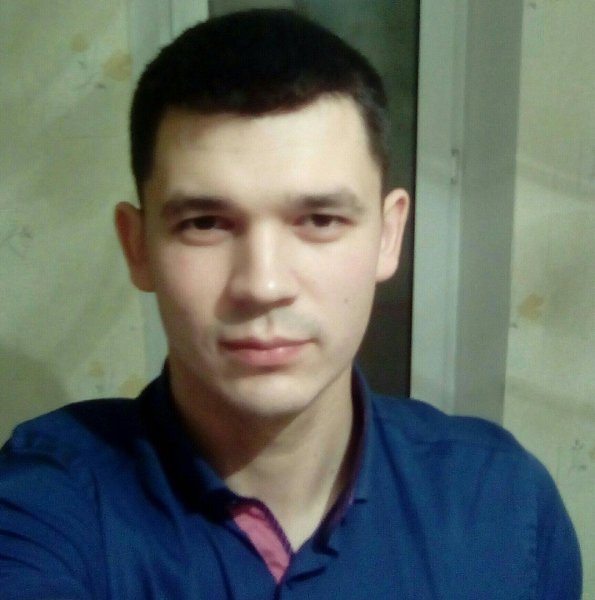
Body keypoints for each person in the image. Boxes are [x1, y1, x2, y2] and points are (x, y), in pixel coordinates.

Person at [0, 9, 581, 599]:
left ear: (388, 236)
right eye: (205, 223)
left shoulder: (503, 506)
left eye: (320, 219)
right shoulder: (47, 506)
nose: (264, 284)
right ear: (137, 247)